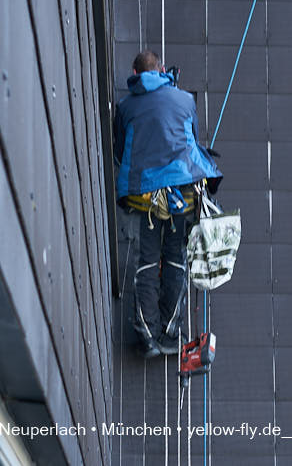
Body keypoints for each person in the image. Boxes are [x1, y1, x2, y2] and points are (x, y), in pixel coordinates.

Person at [113, 50, 222, 358]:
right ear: (161, 69)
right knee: (175, 259)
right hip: (182, 190)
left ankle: (146, 335)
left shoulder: (125, 106)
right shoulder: (185, 100)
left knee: (147, 260)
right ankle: (169, 332)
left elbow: (120, 152)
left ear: (135, 72)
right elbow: (190, 141)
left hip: (145, 195)